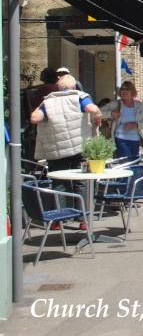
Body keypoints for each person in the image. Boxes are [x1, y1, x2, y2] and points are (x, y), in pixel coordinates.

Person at [29, 73, 103, 227]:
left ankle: (58, 219)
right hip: (80, 147)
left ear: (59, 87)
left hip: (56, 149)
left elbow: (34, 118)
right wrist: (97, 119)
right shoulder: (80, 97)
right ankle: (83, 219)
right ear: (74, 86)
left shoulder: (48, 101)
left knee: (58, 182)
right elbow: (93, 109)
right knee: (82, 182)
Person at [100, 80, 143, 158]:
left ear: (132, 91)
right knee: (126, 164)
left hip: (135, 140)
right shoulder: (115, 104)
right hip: (121, 139)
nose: (124, 91)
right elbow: (98, 111)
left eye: (127, 89)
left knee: (134, 165)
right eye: (122, 89)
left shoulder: (138, 105)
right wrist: (111, 114)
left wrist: (136, 125)